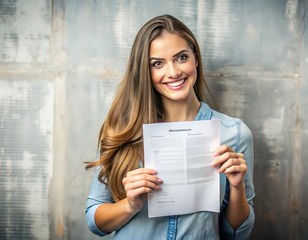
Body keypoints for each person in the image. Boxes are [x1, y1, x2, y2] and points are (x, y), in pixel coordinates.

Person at [85, 14, 255, 239]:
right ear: (145, 72)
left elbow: (236, 234)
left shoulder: (234, 133)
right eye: (157, 63)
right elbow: (94, 220)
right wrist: (130, 205)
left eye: (181, 57)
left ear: (195, 58)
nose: (173, 72)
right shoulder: (122, 129)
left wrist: (236, 188)